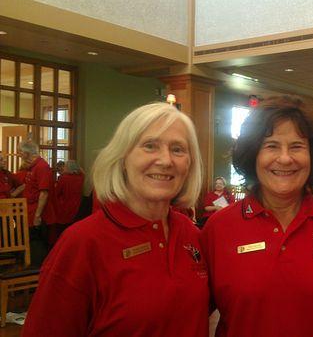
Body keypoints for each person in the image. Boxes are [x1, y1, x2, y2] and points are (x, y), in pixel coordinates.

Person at [22, 102, 209, 337]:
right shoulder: (83, 242)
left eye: (178, 149)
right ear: (122, 158)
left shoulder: (191, 235)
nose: (166, 160)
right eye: (150, 146)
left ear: (190, 164)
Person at [200, 96, 313, 337]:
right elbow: (189, 315)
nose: (284, 158)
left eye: (296, 146)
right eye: (271, 145)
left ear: (312, 157)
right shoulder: (218, 228)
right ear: (253, 155)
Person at [18, 140, 55, 267]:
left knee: (37, 247)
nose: (20, 155)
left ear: (28, 153)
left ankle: (37, 274)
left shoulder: (41, 167)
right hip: (29, 211)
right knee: (30, 244)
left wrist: (37, 216)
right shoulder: (31, 167)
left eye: (21, 152)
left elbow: (44, 193)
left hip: (37, 214)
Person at [50, 160, 84, 245]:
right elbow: (82, 171)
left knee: (61, 228)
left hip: (64, 205)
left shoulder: (64, 177)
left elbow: (57, 192)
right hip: (78, 204)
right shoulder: (81, 177)